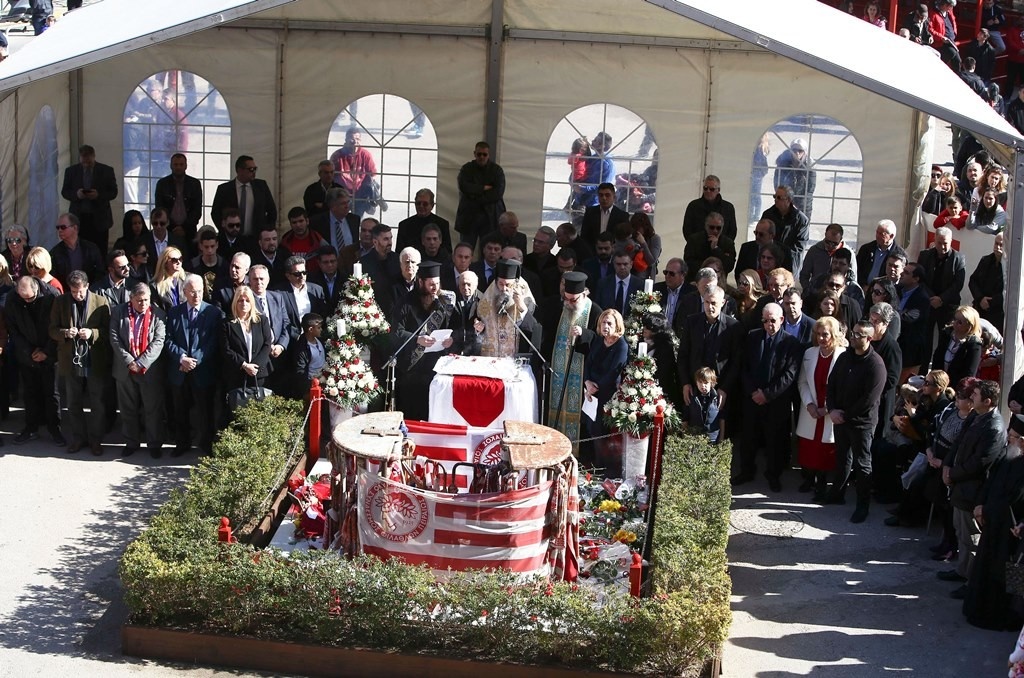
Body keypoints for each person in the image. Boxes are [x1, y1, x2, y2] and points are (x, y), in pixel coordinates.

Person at [942, 380, 1006, 599]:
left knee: (971, 537)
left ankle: (972, 582)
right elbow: (958, 443)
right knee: (961, 531)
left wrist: (954, 474)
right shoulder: (975, 416)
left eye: (976, 395)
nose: (971, 398)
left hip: (973, 489)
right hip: (961, 486)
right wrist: (947, 465)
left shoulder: (994, 427)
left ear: (987, 401)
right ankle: (963, 571)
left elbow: (981, 462)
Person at [962, 413, 1024, 629]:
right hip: (994, 523)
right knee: (988, 570)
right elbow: (992, 483)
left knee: (1013, 574)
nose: (1009, 439)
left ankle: (1013, 615)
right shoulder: (1009, 456)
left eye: (1014, 436)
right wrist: (982, 506)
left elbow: (1015, 498)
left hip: (1013, 530)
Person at [733, 303, 802, 492]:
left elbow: (789, 374)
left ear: (781, 320)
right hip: (752, 398)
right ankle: (746, 471)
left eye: (773, 320)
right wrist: (753, 391)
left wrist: (767, 394)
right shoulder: (753, 337)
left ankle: (773, 475)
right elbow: (744, 367)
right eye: (765, 320)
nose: (769, 324)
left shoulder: (791, 343)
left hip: (775, 401)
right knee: (748, 438)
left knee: (774, 440)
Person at [826, 320, 888, 522]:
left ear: (869, 338)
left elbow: (869, 400)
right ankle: (837, 494)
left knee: (862, 464)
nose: (853, 337)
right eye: (853, 333)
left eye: (859, 335)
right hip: (841, 418)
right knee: (842, 458)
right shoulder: (844, 357)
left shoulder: (876, 364)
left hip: (861, 423)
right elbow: (831, 385)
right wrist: (832, 409)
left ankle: (862, 506)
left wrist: (844, 415)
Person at [389, 262, 462, 421]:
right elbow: (396, 332)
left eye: (437, 284)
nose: (435, 288)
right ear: (420, 282)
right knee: (412, 412)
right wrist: (417, 339)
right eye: (430, 284)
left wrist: (452, 339)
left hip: (437, 367)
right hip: (412, 369)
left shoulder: (445, 301)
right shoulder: (405, 303)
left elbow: (458, 327)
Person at [49, 270, 111, 455]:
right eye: (74, 292)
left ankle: (96, 439)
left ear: (87, 286)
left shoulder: (101, 302)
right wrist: (65, 333)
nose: (77, 295)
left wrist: (93, 333)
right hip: (70, 359)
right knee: (73, 401)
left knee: (97, 401)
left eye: (80, 291)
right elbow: (52, 330)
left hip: (94, 359)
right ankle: (78, 438)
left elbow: (109, 332)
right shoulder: (60, 302)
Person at [164, 274, 222, 457]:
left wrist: (194, 360)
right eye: (192, 292)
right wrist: (181, 358)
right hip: (179, 370)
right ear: (185, 292)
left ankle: (206, 443)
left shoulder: (213, 312)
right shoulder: (174, 312)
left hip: (202, 369)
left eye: (199, 291)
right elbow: (167, 339)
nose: (196, 295)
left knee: (205, 409)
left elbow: (213, 341)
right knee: (180, 409)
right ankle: (182, 443)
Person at [543, 272, 601, 452]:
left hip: (582, 374)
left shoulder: (595, 312)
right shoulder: (558, 308)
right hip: (557, 374)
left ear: (584, 294)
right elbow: (547, 337)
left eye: (573, 300)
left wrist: (584, 334)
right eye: (566, 299)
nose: (568, 303)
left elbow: (599, 343)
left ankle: (576, 454)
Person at [110, 282, 167, 458]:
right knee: (128, 408)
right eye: (139, 300)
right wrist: (129, 361)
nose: (143, 304)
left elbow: (159, 341)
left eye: (146, 300)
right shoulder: (119, 312)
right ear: (131, 299)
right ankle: (131, 442)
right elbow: (114, 338)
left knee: (152, 409)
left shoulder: (158, 314)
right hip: (124, 369)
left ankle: (154, 443)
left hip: (148, 370)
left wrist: (141, 362)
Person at [797, 316, 847, 501]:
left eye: (825, 334)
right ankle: (809, 479)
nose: (821, 338)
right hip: (811, 408)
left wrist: (826, 408)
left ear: (833, 334)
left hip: (830, 410)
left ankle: (822, 484)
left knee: (826, 449)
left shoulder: (843, 355)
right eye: (818, 334)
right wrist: (810, 404)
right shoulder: (810, 353)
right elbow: (802, 382)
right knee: (810, 447)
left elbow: (843, 387)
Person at [6, 276, 61, 445]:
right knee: (30, 392)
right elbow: (12, 329)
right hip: (26, 353)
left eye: (30, 297)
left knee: (52, 393)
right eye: (24, 298)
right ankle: (31, 428)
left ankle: (55, 429)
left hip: (49, 352)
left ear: (36, 288)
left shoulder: (52, 296)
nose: (28, 301)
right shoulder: (13, 298)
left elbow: (58, 326)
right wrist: (29, 351)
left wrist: (46, 351)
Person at [584, 309, 628, 474]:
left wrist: (595, 388)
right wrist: (587, 382)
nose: (605, 326)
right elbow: (588, 363)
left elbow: (613, 372)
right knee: (592, 429)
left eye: (609, 323)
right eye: (603, 322)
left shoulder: (621, 345)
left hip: (607, 394)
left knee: (602, 431)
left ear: (617, 325)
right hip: (591, 392)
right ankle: (596, 464)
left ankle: (605, 469)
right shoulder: (599, 341)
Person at [919, 228, 967, 365]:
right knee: (925, 339)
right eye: (940, 243)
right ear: (934, 241)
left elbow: (958, 284)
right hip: (928, 303)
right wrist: (931, 297)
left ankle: (938, 370)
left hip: (947, 306)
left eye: (946, 243)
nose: (943, 247)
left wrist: (941, 299)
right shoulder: (925, 256)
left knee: (944, 339)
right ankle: (922, 369)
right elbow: (920, 279)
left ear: (951, 242)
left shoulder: (958, 259)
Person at [472, 260, 538, 358]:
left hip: (515, 360)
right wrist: (478, 328)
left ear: (515, 284)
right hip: (492, 359)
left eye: (508, 285)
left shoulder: (526, 300)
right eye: (500, 284)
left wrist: (521, 307)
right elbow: (479, 324)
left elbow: (534, 331)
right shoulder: (488, 298)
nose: (504, 289)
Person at [60, 145, 118, 256]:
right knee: (79, 249)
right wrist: (76, 195)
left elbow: (113, 192)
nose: (86, 164)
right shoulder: (71, 171)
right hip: (78, 218)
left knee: (100, 250)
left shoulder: (106, 170)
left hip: (100, 219)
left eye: (89, 162)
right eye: (84, 161)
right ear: (80, 157)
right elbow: (65, 192)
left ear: (93, 156)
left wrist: (98, 195)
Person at [223, 286, 273, 403]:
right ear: (235, 302)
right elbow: (226, 349)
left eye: (247, 300)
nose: (244, 303)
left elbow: (267, 344)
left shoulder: (262, 320)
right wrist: (244, 365)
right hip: (237, 375)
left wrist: (255, 366)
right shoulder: (227, 324)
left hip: (259, 374)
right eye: (240, 300)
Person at [210, 155, 278, 237]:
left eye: (255, 169)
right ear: (239, 170)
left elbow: (272, 211)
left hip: (256, 238)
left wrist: (266, 232)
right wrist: (225, 230)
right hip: (230, 238)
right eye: (251, 169)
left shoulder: (261, 186)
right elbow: (215, 213)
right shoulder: (224, 189)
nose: (254, 172)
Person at [454, 141, 506, 249]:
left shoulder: (497, 170)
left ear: (488, 155)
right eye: (479, 154)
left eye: (484, 154)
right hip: (468, 217)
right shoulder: (466, 169)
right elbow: (463, 186)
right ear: (474, 154)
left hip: (490, 218)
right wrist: (483, 188)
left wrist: (474, 195)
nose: (481, 157)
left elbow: (497, 193)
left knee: (489, 252)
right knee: (465, 250)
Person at [759, 187, 809, 280]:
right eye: (774, 197)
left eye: (779, 197)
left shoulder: (801, 220)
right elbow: (761, 236)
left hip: (789, 263)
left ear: (789, 200)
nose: (775, 200)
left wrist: (780, 252)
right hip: (769, 260)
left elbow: (799, 246)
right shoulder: (768, 215)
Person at [153, 153, 203, 246]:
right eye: (175, 164)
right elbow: (160, 209)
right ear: (171, 166)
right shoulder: (162, 184)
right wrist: (173, 227)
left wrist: (184, 228)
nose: (178, 167)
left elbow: (197, 210)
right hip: (167, 230)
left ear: (186, 166)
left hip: (189, 231)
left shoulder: (194, 184)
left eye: (181, 164)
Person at [329, 128, 378, 217]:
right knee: (341, 219)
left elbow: (373, 174)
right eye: (352, 139)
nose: (355, 142)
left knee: (357, 220)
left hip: (360, 194)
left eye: (357, 139)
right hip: (342, 195)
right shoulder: (337, 156)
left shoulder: (365, 155)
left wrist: (370, 190)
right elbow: (330, 175)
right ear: (346, 140)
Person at [896, 262, 932, 381]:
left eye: (906, 272)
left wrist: (894, 313)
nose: (901, 273)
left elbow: (907, 319)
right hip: (896, 345)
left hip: (910, 351)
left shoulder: (922, 298)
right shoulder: (897, 290)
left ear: (916, 279)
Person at [279, 255, 327, 343]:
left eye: (304, 272)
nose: (302, 276)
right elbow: (281, 320)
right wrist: (297, 336)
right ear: (288, 276)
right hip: (292, 341)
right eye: (297, 274)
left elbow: (322, 314)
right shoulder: (280, 293)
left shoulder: (316, 290)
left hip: (315, 339)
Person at [932, 305, 983, 387]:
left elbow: (969, 374)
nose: (955, 323)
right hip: (938, 385)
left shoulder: (974, 345)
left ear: (969, 326)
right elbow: (937, 358)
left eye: (960, 322)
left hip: (957, 388)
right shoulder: (947, 334)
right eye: (954, 319)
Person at [49, 213, 104, 287]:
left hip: (89, 292)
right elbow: (53, 277)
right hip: (66, 295)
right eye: (57, 228)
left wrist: (91, 290)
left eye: (63, 227)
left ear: (75, 228)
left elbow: (100, 272)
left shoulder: (91, 248)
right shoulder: (55, 252)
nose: (59, 230)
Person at [682, 175, 738, 243]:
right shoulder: (693, 206)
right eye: (705, 188)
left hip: (721, 249)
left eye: (712, 189)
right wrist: (695, 245)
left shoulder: (728, 208)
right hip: (697, 249)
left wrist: (722, 245)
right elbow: (687, 230)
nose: (708, 191)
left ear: (718, 190)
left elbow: (732, 231)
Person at [396, 188, 453, 255]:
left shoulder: (442, 224)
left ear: (432, 206)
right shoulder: (404, 225)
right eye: (418, 203)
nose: (421, 206)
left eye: (425, 204)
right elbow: (399, 252)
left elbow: (447, 252)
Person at [800, 223, 854, 292]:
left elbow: (853, 276)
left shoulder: (849, 253)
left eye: (834, 243)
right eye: (828, 242)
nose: (830, 245)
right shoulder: (814, 250)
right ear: (825, 235)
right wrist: (808, 290)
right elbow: (804, 274)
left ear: (841, 239)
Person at [642, 312, 680, 408]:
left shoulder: (666, 348)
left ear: (655, 330)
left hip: (660, 392)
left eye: (647, 327)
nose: (644, 329)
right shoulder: (641, 341)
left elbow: (664, 374)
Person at [683, 212, 736, 282]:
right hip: (695, 280)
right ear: (706, 226)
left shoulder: (728, 243)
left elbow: (729, 266)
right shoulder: (694, 240)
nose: (715, 231)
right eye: (712, 227)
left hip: (718, 282)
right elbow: (688, 262)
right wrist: (709, 269)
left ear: (722, 228)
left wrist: (716, 249)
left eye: (718, 228)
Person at [968, 232, 1005, 331]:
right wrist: (980, 299)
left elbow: (1011, 292)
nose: (998, 247)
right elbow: (973, 281)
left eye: (1001, 245)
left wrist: (991, 302)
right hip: (980, 309)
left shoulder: (1011, 268)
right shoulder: (986, 260)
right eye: (996, 244)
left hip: (997, 314)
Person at [856, 219, 907, 289]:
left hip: (884, 292)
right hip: (863, 289)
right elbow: (858, 268)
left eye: (881, 234)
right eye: (877, 232)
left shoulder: (899, 254)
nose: (877, 236)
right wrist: (863, 286)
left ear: (891, 236)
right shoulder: (866, 249)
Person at [773, 139, 817, 219]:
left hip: (804, 202)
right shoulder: (783, 163)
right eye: (794, 150)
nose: (797, 153)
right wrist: (786, 199)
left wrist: (800, 202)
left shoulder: (810, 165)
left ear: (805, 152)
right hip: (785, 200)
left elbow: (810, 188)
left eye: (800, 150)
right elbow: (777, 183)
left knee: (802, 225)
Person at [580, 182, 629, 248]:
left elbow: (624, 240)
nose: (604, 198)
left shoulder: (622, 216)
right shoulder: (590, 212)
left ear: (614, 197)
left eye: (607, 195)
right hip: (592, 252)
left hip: (613, 253)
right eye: (601, 195)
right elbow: (584, 236)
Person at [141, 208, 188, 276]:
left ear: (168, 222)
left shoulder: (178, 242)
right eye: (155, 223)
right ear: (151, 222)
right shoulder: (144, 241)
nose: (158, 226)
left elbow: (185, 263)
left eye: (162, 223)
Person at [595, 252, 642, 319]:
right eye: (618, 264)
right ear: (614, 265)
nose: (622, 267)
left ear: (631, 264)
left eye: (625, 264)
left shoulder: (639, 284)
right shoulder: (603, 283)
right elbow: (598, 307)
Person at [291, 313, 327, 400]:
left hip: (324, 380)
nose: (321, 330)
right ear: (311, 329)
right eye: (318, 328)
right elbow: (300, 371)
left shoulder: (320, 340)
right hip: (311, 385)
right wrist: (306, 391)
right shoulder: (301, 348)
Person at [280, 207, 326, 273]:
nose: (298, 225)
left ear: (307, 221)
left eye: (301, 221)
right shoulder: (284, 243)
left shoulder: (319, 241)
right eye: (294, 222)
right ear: (290, 224)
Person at [687, 367, 724, 443]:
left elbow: (722, 419)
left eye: (706, 383)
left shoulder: (717, 399)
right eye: (700, 382)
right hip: (694, 437)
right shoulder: (692, 397)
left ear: (712, 383)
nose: (703, 386)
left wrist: (721, 438)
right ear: (696, 382)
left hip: (712, 438)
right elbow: (685, 418)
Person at [151, 246, 188, 312]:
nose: (178, 262)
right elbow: (156, 310)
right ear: (165, 263)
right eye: (174, 260)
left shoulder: (189, 279)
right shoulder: (155, 286)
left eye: (180, 259)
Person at [628, 211, 661, 280]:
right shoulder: (631, 238)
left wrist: (643, 243)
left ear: (645, 226)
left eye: (638, 228)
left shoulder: (654, 239)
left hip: (646, 277)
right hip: (631, 275)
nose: (636, 230)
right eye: (634, 228)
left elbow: (651, 261)